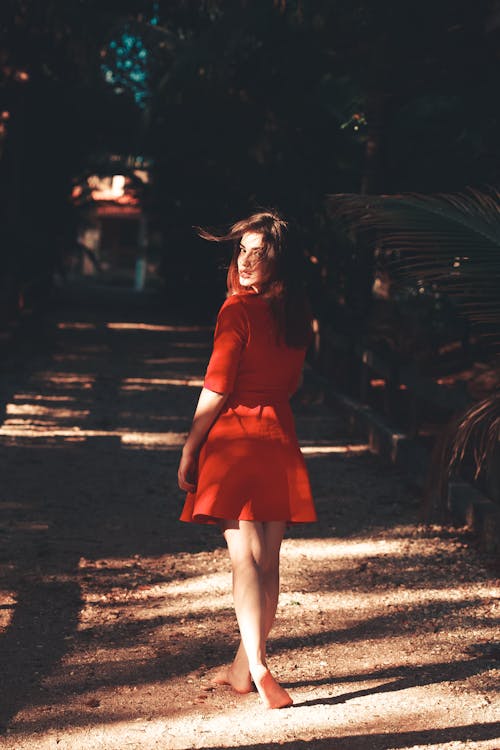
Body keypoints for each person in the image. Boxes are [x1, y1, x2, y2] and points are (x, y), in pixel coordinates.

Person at [177, 210, 317, 709]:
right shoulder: (297, 314)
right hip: (278, 433)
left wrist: (191, 447)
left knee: (244, 557)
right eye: (243, 250)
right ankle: (242, 667)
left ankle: (258, 667)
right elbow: (294, 383)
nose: (249, 259)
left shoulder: (237, 311)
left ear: (280, 259)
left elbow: (216, 386)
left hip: (235, 435)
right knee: (269, 558)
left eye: (261, 251)